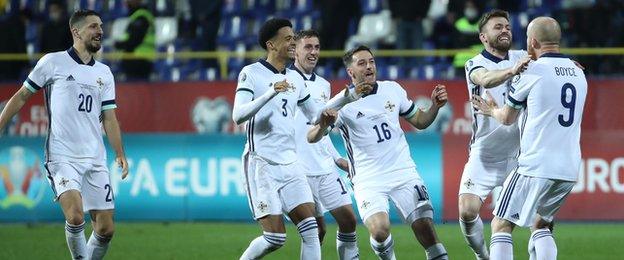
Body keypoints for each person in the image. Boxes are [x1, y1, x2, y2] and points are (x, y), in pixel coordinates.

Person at [232, 18, 370, 260]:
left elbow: (315, 114)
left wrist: (347, 97)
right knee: (275, 238)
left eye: (294, 38)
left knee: (312, 230)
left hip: (291, 164)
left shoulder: (295, 80)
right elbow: (238, 115)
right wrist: (270, 92)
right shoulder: (251, 73)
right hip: (261, 163)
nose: (293, 42)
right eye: (288, 39)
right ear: (271, 45)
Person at [0, 10, 129, 260]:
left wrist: (120, 153)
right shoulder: (52, 62)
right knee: (75, 216)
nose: (100, 31)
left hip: (94, 157)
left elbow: (109, 117)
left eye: (101, 26)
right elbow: (22, 96)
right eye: (93, 26)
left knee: (105, 228)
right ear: (76, 31)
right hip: (62, 155)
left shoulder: (104, 72)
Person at [308, 45, 449, 260]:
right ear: (350, 72)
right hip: (368, 179)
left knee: (426, 229)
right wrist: (322, 125)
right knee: (380, 230)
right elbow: (313, 136)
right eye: (362, 63)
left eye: (371, 61)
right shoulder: (342, 103)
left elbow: (420, 122)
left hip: (403, 172)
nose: (369, 67)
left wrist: (434, 108)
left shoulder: (392, 89)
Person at [472, 17, 587, 260]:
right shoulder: (579, 73)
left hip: (534, 165)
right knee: (541, 224)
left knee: (501, 225)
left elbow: (506, 118)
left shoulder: (532, 72)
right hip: (569, 168)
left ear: (532, 41)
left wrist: (490, 109)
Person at [459, 9, 530, 260]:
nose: (504, 30)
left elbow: (550, 62)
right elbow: (485, 79)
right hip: (485, 154)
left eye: (507, 26)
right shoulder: (475, 64)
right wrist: (512, 71)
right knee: (467, 212)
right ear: (483, 37)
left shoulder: (523, 56)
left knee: (540, 219)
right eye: (497, 27)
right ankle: (482, 254)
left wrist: (565, 63)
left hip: (520, 156)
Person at [291, 29, 360, 260]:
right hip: (299, 169)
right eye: (308, 47)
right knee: (316, 231)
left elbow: (324, 126)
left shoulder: (323, 85)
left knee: (349, 220)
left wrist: (336, 157)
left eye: (317, 47)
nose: (313, 52)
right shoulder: (284, 82)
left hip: (324, 166)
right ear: (295, 51)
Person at [114, 0, 155, 80]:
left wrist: (118, 45)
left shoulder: (141, 17)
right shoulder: (137, 16)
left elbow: (134, 40)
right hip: (137, 62)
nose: (126, 3)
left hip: (139, 62)